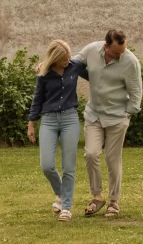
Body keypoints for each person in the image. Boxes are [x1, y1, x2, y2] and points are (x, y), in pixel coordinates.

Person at [74, 29, 142, 218]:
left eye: (123, 51)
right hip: (94, 114)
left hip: (117, 117)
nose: (120, 55)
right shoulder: (91, 51)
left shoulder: (131, 62)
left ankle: (114, 201)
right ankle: (97, 196)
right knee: (91, 154)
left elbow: (136, 93)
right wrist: (48, 64)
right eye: (116, 52)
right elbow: (72, 62)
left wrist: (127, 113)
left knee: (113, 160)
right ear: (106, 46)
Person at [28, 40, 89, 222]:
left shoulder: (75, 66)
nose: (68, 60)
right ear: (54, 59)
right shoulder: (44, 73)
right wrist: (31, 123)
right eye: (64, 58)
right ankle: (62, 194)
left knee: (68, 167)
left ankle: (66, 208)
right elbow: (37, 99)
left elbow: (96, 75)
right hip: (48, 120)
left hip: (70, 118)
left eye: (69, 56)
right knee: (46, 165)